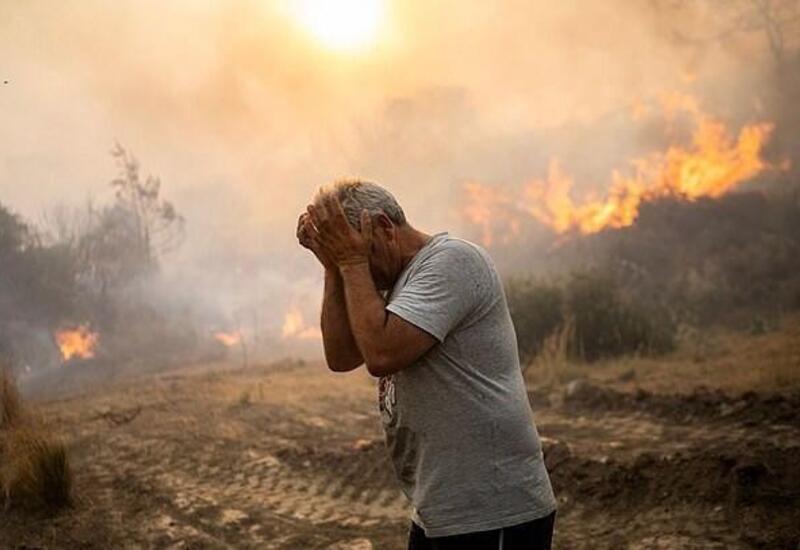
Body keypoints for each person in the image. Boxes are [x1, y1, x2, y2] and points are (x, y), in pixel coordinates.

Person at [296, 180, 557, 550]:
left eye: (359, 253)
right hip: (441, 507)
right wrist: (333, 266)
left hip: (493, 508)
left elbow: (382, 355)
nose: (361, 273)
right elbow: (341, 357)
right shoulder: (397, 279)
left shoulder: (453, 261)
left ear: (385, 228)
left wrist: (351, 263)